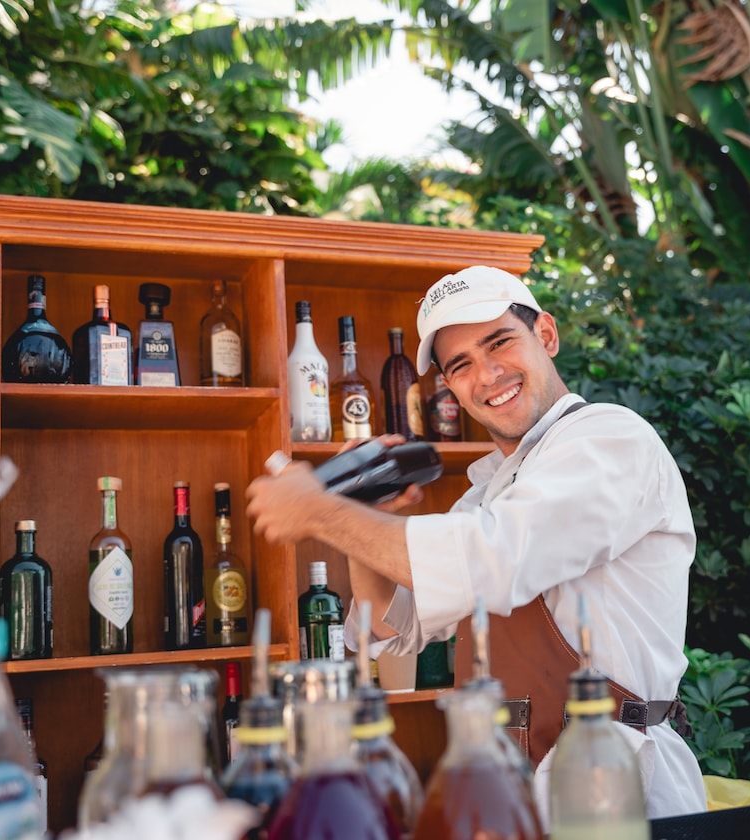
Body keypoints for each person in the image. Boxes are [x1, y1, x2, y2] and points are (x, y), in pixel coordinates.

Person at [245, 265, 707, 819]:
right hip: (507, 785)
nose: (486, 375)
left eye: (500, 342)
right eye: (460, 365)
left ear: (547, 335)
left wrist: (320, 512)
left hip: (616, 786)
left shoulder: (610, 439)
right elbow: (391, 632)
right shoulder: (490, 492)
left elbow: (493, 559)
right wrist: (355, 516)